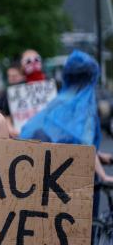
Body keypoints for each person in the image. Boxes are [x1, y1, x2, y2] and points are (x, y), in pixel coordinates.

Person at [19, 50, 113, 217]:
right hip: (81, 175)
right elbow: (85, 146)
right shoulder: (84, 107)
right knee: (86, 231)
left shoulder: (57, 103)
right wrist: (103, 175)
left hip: (54, 176)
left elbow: (61, 138)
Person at [0, 63, 25, 137]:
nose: (11, 79)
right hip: (14, 133)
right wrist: (9, 128)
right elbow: (1, 112)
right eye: (9, 76)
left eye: (14, 76)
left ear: (23, 76)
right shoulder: (6, 94)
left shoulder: (31, 90)